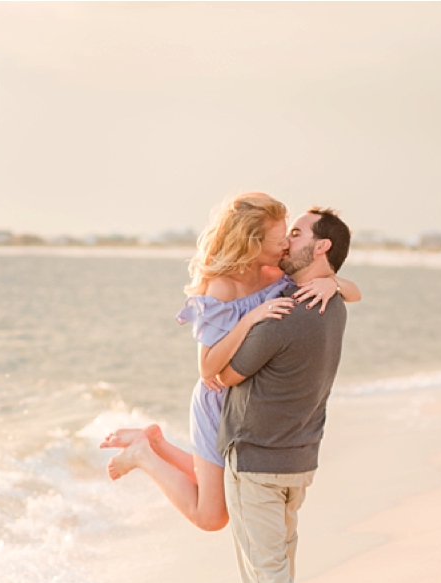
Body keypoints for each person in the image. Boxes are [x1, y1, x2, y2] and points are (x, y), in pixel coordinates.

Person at [100, 193, 359, 532]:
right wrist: (250, 319)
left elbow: (355, 293)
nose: (285, 246)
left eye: (288, 236)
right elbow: (207, 368)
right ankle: (143, 456)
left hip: (247, 399)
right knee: (211, 517)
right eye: (280, 239)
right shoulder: (220, 287)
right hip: (216, 397)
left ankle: (156, 443)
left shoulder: (277, 271)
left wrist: (331, 281)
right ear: (254, 242)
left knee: (221, 485)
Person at [214, 206, 353, 583]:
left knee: (265, 569)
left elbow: (224, 374)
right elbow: (346, 287)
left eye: (297, 233)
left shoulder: (286, 312)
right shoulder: (332, 304)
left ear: (321, 248)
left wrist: (242, 322)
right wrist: (337, 284)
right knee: (277, 566)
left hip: (257, 459)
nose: (287, 240)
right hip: (298, 460)